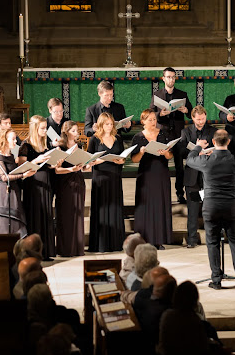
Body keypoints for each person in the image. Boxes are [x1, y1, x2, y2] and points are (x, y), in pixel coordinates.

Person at [186, 130, 235, 290]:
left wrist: (198, 147)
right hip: (231, 205)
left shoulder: (206, 160)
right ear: (228, 142)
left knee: (212, 242)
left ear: (214, 142)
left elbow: (190, 160)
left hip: (211, 206)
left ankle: (216, 280)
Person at [131, 109, 174, 249]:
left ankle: (159, 239)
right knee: (146, 206)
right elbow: (134, 159)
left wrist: (166, 152)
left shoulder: (163, 134)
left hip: (161, 173)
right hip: (146, 174)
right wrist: (142, 152)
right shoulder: (137, 137)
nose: (153, 122)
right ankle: (145, 238)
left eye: (154, 119)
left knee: (160, 204)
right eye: (150, 120)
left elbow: (170, 156)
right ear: (143, 121)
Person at [150, 67, 193, 203]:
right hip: (162, 133)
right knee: (161, 165)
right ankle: (160, 194)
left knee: (180, 166)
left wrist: (186, 109)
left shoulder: (182, 94)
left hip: (178, 133)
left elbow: (191, 112)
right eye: (168, 77)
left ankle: (180, 193)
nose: (171, 79)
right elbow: (150, 114)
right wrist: (160, 114)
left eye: (173, 77)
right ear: (163, 78)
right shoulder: (157, 95)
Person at [87, 113, 127, 253]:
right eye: (106, 124)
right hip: (101, 178)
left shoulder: (118, 138)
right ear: (101, 125)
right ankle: (101, 244)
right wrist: (101, 160)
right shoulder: (94, 139)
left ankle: (116, 243)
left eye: (111, 124)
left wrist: (121, 160)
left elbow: (123, 157)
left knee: (115, 207)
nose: (109, 127)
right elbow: (89, 161)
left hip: (115, 177)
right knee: (102, 209)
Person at [179, 105, 217, 248]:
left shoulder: (213, 131)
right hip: (192, 175)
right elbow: (182, 152)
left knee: (211, 209)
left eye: (203, 119)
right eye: (198, 119)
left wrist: (211, 152)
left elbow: (219, 149)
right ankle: (192, 239)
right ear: (193, 118)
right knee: (193, 210)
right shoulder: (186, 131)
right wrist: (197, 149)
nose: (201, 122)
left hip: (208, 175)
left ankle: (212, 238)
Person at [19, 115, 56, 260]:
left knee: (46, 216)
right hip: (33, 185)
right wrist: (36, 160)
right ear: (34, 129)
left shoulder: (46, 143)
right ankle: (33, 252)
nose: (45, 130)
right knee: (35, 216)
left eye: (45, 128)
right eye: (42, 128)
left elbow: (48, 164)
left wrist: (54, 163)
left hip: (47, 183)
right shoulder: (26, 145)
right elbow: (21, 167)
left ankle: (46, 251)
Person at [0, 128, 34, 235]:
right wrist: (23, 175)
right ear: (5, 140)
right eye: (13, 139)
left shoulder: (11, 155)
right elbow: (4, 177)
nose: (16, 141)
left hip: (13, 191)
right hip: (3, 193)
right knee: (4, 223)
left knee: (14, 224)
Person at [54, 121, 86, 257]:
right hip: (65, 183)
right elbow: (56, 170)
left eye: (77, 130)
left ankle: (78, 248)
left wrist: (86, 165)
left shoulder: (79, 146)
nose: (76, 133)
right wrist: (70, 169)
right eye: (73, 130)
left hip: (78, 181)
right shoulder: (60, 147)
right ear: (66, 132)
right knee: (66, 216)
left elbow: (83, 166)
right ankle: (66, 249)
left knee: (78, 215)